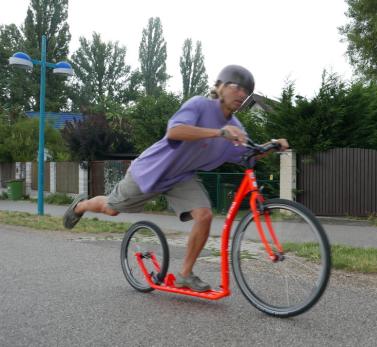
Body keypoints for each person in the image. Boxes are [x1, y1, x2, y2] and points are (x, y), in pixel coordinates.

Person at [63, 65, 289, 292]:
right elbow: (175, 131)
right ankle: (81, 205)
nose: (242, 94)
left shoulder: (236, 127)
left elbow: (246, 154)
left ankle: (185, 274)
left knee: (205, 215)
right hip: (152, 170)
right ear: (220, 86)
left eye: (247, 90)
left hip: (181, 178)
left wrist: (271, 146)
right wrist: (219, 132)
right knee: (112, 208)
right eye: (237, 87)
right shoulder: (199, 105)